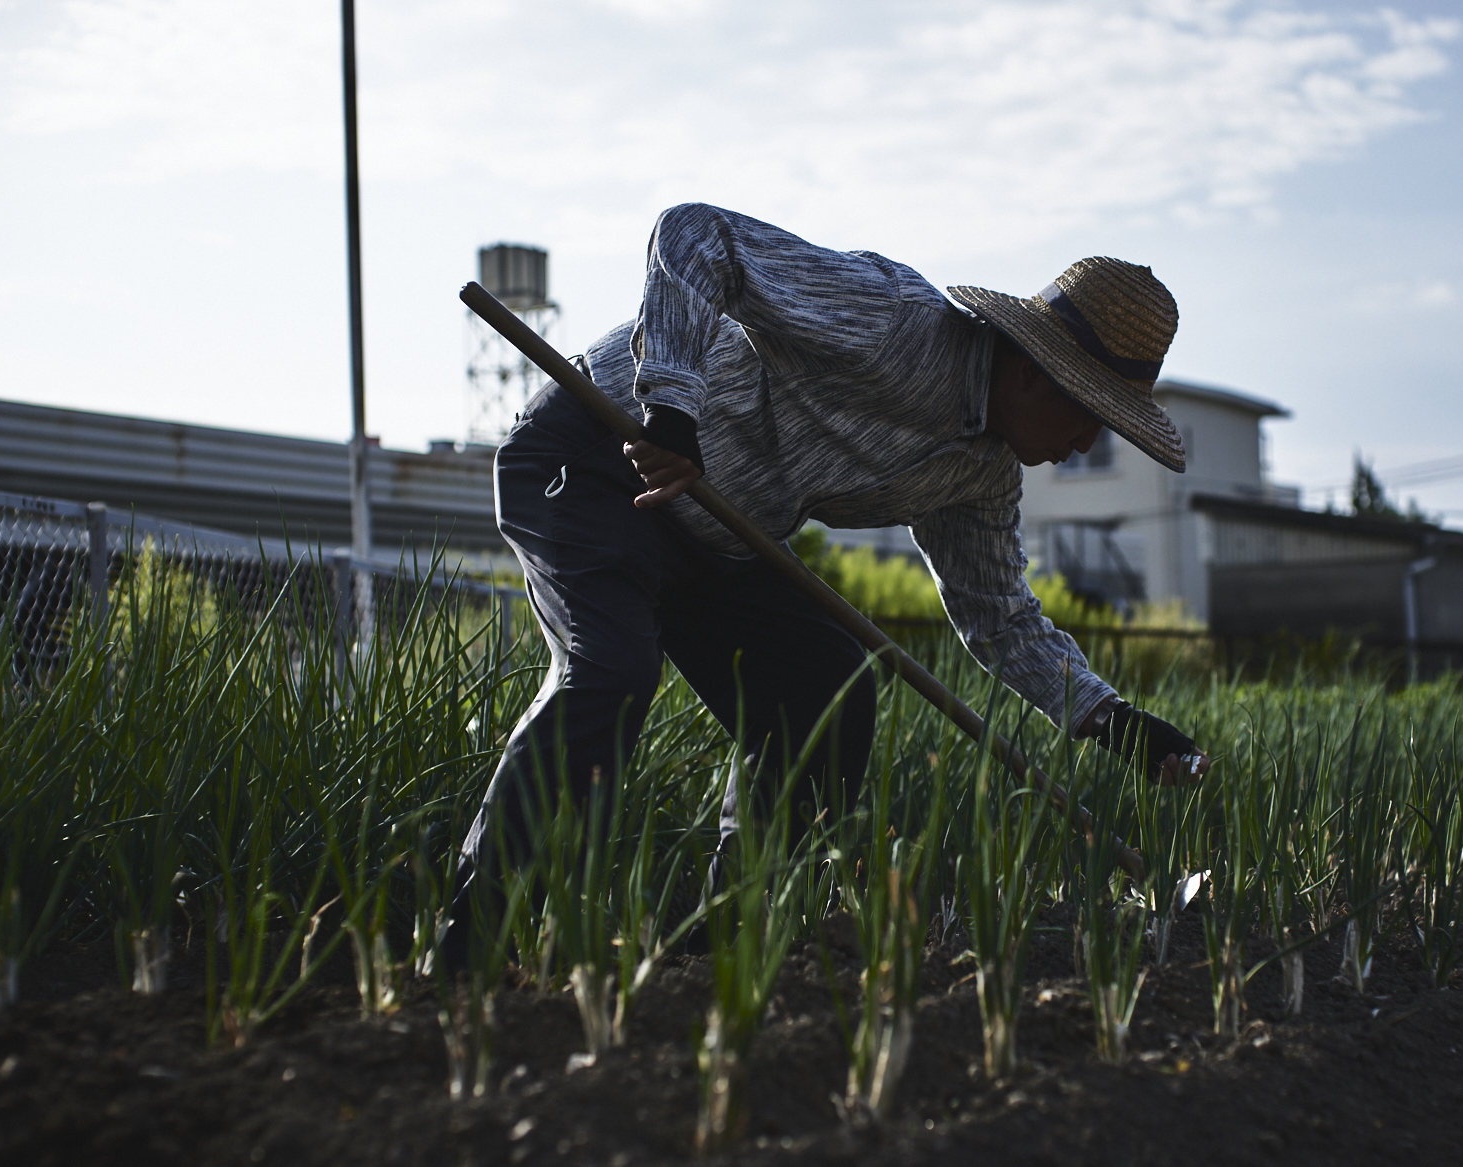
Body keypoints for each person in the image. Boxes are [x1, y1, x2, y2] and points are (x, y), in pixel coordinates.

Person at [457, 202, 1208, 895]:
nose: (1083, 446)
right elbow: (695, 236)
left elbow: (1000, 619)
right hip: (601, 452)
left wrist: (1111, 722)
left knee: (822, 685)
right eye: (1087, 416)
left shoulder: (981, 475)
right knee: (610, 666)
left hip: (717, 534)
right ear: (1033, 372)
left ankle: (740, 929)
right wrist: (672, 410)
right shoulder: (892, 321)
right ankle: (475, 928)